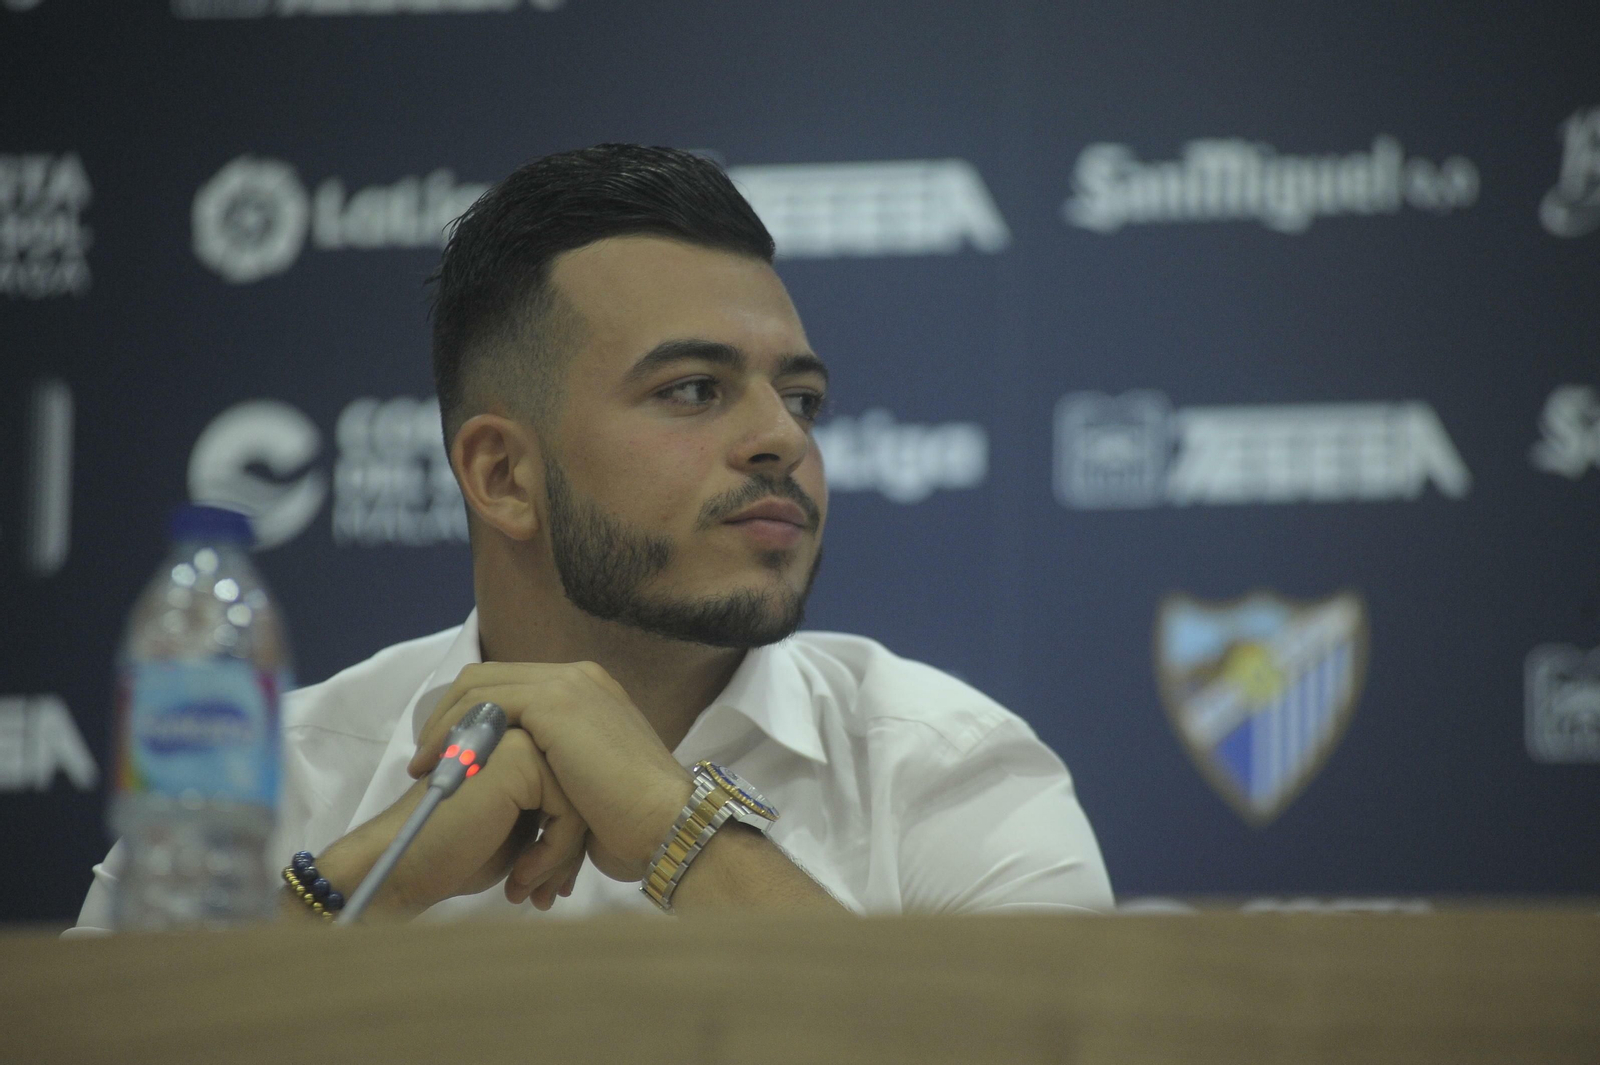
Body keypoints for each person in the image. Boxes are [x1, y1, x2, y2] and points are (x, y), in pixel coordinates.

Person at [72, 144, 1111, 931]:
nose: (782, 439)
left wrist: (675, 822)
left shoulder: (948, 773)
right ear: (502, 475)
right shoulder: (278, 781)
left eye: (800, 397)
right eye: (694, 389)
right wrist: (367, 885)